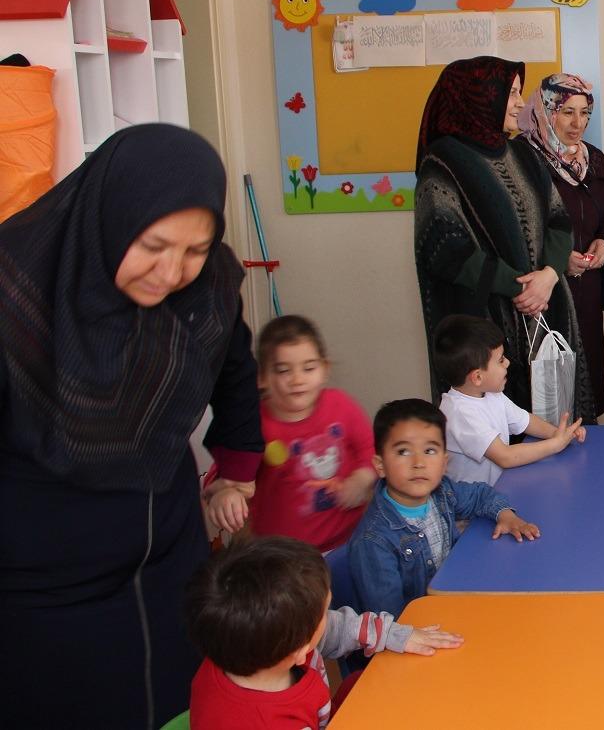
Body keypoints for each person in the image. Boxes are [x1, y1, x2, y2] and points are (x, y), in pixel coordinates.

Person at [0, 124, 263, 728]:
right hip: (46, 580)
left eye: (195, 250)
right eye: (153, 245)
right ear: (111, 216)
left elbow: (234, 366)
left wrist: (238, 467)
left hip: (166, 546)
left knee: (179, 696)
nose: (170, 272)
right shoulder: (18, 287)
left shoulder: (210, 287)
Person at [413, 56, 594, 421]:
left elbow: (558, 220)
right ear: (481, 96)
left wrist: (548, 275)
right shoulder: (444, 162)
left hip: (546, 306)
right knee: (495, 433)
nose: (519, 103)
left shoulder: (523, 153)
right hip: (485, 325)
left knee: (554, 421)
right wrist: (521, 287)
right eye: (510, 93)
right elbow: (443, 247)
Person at [184, 537, 464, 729]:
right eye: (325, 612)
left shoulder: (247, 644)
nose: (331, 615)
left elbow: (334, 629)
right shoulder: (263, 720)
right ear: (299, 650)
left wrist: (393, 634)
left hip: (322, 711)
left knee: (370, 683)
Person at [348, 398, 539, 616]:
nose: (418, 463)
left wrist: (505, 514)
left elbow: (480, 495)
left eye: (429, 451)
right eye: (403, 452)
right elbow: (389, 620)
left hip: (453, 601)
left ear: (444, 463)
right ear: (380, 465)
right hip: (418, 626)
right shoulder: (373, 542)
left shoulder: (442, 492)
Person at [518, 73, 604, 420]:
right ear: (546, 111)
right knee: (549, 381)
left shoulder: (593, 158)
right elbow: (521, 225)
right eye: (567, 112)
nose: (578, 124)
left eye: (584, 113)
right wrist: (560, 260)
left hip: (588, 284)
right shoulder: (524, 158)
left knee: (586, 374)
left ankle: (587, 435)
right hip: (545, 287)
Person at [246, 315, 376, 552]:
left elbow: (370, 450)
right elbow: (229, 473)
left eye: (308, 368)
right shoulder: (253, 424)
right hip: (284, 553)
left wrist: (362, 478)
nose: (297, 380)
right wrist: (225, 493)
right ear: (262, 377)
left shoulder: (341, 405)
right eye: (283, 371)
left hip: (350, 540)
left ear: (325, 369)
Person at [432, 314, 585, 487]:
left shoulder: (491, 394)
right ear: (477, 377)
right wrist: (555, 445)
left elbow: (526, 421)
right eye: (501, 360)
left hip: (498, 488)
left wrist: (557, 433)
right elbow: (505, 456)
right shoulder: (460, 413)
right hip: (472, 501)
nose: (507, 363)